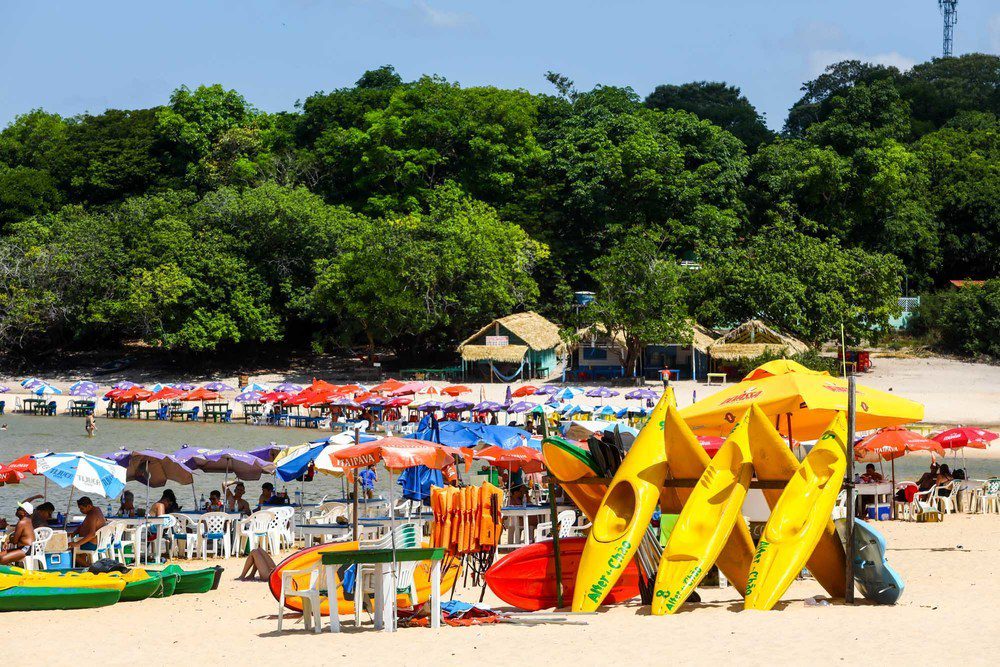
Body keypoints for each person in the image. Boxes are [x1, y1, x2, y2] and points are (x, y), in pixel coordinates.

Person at [68, 497, 106, 563]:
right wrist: (74, 533)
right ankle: (83, 562)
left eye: (82, 509)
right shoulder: (96, 509)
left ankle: (87, 566)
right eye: (79, 509)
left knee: (69, 549)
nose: (81, 511)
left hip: (92, 544)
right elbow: (83, 525)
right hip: (97, 542)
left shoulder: (92, 515)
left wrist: (76, 544)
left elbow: (92, 534)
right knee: (75, 545)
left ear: (89, 506)